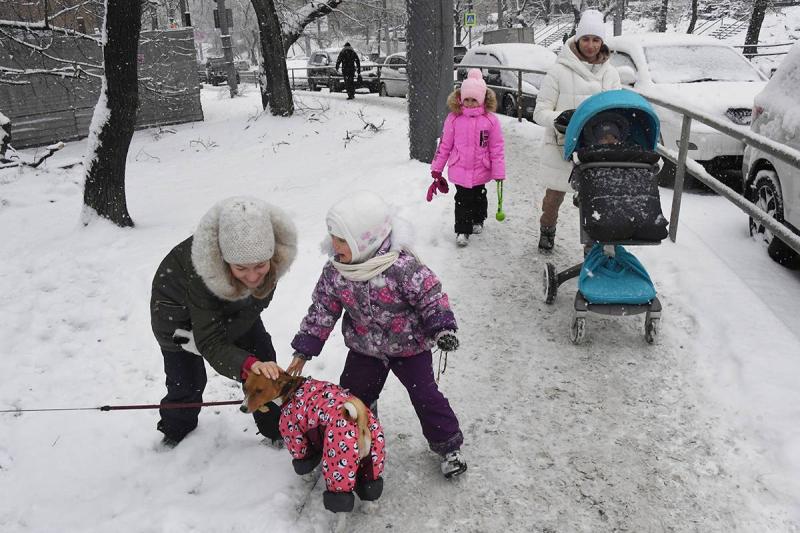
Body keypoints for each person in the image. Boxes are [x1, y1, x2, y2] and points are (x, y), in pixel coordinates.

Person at [285, 191, 468, 478]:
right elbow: (322, 308)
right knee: (352, 396)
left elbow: (430, 297)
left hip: (409, 348)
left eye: (342, 239)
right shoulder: (337, 271)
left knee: (426, 396)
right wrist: (304, 348)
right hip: (365, 349)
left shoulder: (401, 267)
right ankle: (358, 436)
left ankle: (448, 445)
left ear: (366, 238)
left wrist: (442, 326)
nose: (334, 245)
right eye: (333, 236)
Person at [150, 196, 297, 447]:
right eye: (241, 268)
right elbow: (209, 339)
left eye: (260, 266)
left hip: (234, 309)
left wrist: (250, 363)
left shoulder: (272, 262)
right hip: (177, 318)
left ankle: (277, 428)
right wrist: (242, 362)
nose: (252, 277)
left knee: (264, 362)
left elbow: (256, 305)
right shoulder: (201, 268)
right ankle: (176, 429)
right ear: (226, 261)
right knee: (186, 382)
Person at [532, 8, 620, 253]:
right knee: (554, 198)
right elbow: (539, 112)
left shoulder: (610, 73)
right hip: (562, 147)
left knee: (593, 202)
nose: (590, 45)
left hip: (596, 149)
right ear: (577, 39)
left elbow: (616, 110)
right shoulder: (559, 71)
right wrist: (559, 118)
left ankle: (591, 249)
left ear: (602, 41)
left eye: (595, 39)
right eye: (585, 39)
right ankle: (547, 230)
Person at [430, 68, 506, 247]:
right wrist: (437, 168)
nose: (470, 103)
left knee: (479, 196)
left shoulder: (490, 121)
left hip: (481, 167)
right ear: (460, 99)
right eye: (467, 99)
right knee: (462, 198)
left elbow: (496, 147)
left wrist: (498, 170)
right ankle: (462, 230)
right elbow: (445, 145)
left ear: (482, 100)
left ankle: (478, 219)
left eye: (474, 100)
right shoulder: (454, 119)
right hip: (460, 167)